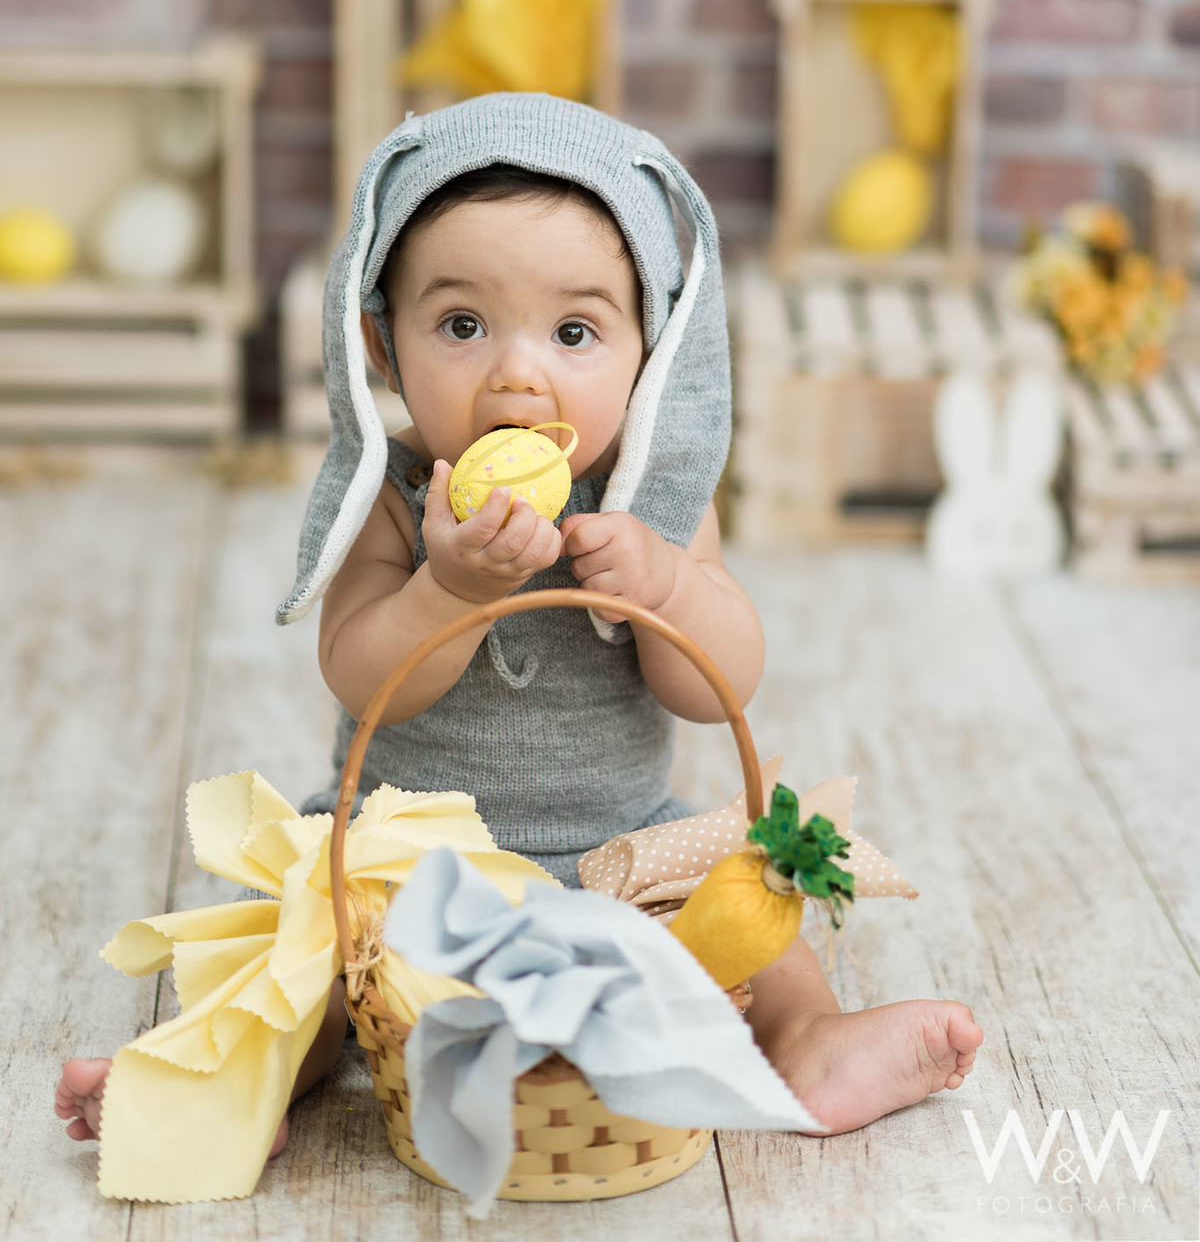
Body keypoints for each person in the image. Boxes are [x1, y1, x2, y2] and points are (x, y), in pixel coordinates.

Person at [58, 94, 981, 1159]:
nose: (517, 371)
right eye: (461, 325)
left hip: (617, 848)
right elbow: (364, 678)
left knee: (745, 898)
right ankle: (229, 1080)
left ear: (649, 352)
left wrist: (666, 590)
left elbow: (717, 684)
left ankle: (808, 1035)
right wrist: (446, 590)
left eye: (576, 330)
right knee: (304, 952)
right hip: (411, 859)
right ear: (384, 346)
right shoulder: (401, 496)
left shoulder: (653, 496)